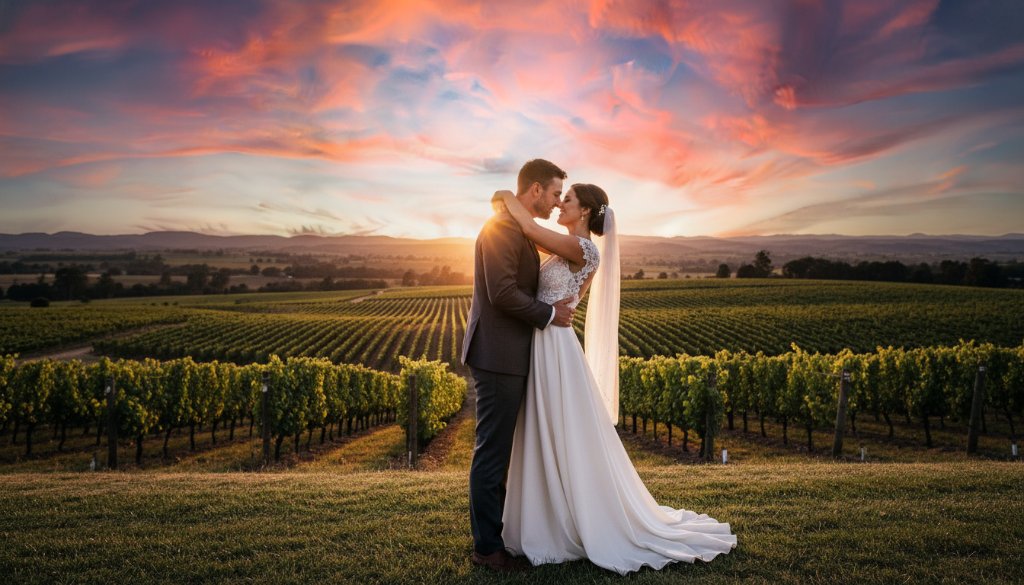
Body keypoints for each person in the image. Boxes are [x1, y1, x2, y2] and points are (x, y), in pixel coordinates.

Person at [495, 185, 738, 575]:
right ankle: (544, 517)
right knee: (544, 431)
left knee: (561, 431)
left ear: (586, 211)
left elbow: (529, 227)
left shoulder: (584, 249)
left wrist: (506, 196)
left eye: (567, 199)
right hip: (545, 343)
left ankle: (566, 522)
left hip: (555, 348)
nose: (560, 203)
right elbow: (527, 240)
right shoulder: (564, 247)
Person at [461, 159, 577, 572]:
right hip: (497, 356)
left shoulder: (516, 225)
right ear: (533, 192)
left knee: (502, 451)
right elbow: (503, 292)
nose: (556, 202)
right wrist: (549, 314)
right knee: (492, 452)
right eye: (553, 193)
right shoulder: (502, 229)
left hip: (511, 355)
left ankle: (501, 536)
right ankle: (487, 550)